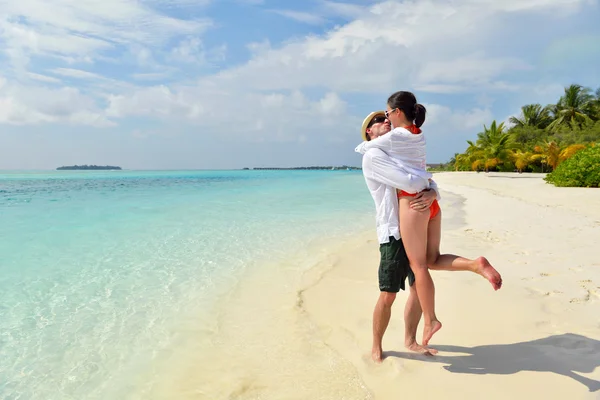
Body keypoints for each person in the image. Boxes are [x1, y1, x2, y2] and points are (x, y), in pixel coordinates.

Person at [357, 110, 502, 362]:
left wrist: (433, 191)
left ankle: (411, 341)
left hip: (414, 222)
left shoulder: (398, 152)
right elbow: (412, 183)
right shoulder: (373, 156)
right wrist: (429, 189)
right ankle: (376, 346)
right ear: (369, 132)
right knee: (388, 294)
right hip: (393, 231)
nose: (385, 121)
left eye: (386, 118)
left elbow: (423, 178)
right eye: (377, 121)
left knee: (416, 287)